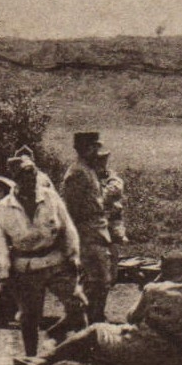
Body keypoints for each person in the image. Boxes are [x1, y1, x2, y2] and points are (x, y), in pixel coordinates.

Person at [14, 256, 182, 365]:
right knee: (100, 355)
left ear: (164, 271)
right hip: (172, 360)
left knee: (96, 330)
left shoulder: (154, 289)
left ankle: (43, 360)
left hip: (140, 352)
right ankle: (63, 359)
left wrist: (150, 286)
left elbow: (131, 317)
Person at [0, 156, 87, 357]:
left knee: (77, 304)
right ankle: (31, 356)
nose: (30, 179)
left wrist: (74, 255)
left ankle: (79, 348)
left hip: (56, 261)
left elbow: (68, 228)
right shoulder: (5, 207)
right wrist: (4, 272)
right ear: (16, 179)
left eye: (32, 174)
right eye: (24, 175)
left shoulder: (50, 197)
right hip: (27, 267)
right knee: (29, 316)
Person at [61, 131, 114, 322]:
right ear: (84, 149)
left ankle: (91, 320)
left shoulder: (88, 170)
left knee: (101, 281)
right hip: (86, 235)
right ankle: (89, 322)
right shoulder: (77, 173)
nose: (96, 151)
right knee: (96, 282)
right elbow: (71, 211)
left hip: (96, 232)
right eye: (93, 147)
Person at [95, 147, 128, 283]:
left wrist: (94, 198)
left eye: (104, 159)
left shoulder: (111, 176)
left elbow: (114, 191)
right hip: (93, 221)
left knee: (112, 250)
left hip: (110, 220)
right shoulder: (85, 175)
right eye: (99, 159)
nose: (101, 162)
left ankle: (111, 279)